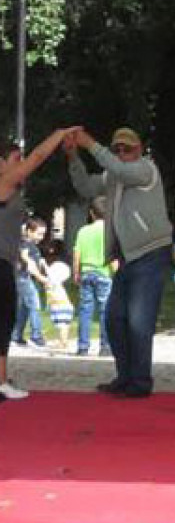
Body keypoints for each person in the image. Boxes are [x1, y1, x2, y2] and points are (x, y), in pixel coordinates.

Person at [66, 126, 173, 399]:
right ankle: (125, 376)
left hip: (150, 253)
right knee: (114, 318)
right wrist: (73, 158)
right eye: (118, 149)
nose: (122, 153)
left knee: (139, 322)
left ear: (139, 150)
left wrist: (90, 144)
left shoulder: (145, 169)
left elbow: (121, 170)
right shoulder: (114, 175)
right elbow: (85, 187)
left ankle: (140, 381)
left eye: (128, 148)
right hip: (128, 256)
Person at [1, 129, 74, 400]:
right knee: (3, 322)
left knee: (5, 321)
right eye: (15, 159)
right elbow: (39, 156)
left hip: (5, 260)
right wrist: (59, 134)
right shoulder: (5, 183)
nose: (21, 164)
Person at [73, 197, 115, 356]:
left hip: (86, 272)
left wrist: (76, 273)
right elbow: (112, 255)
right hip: (103, 273)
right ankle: (105, 346)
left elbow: (77, 254)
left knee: (85, 310)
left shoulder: (83, 231)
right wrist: (116, 272)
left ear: (91, 213)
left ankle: (83, 346)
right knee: (105, 311)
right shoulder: (110, 232)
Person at [12, 216, 48, 351]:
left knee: (24, 308)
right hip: (23, 278)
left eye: (43, 234)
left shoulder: (31, 245)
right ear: (29, 231)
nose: (41, 237)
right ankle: (36, 336)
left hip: (23, 278)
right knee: (34, 304)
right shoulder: (25, 243)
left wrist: (44, 267)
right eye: (39, 234)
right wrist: (41, 278)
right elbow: (26, 258)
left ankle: (16, 336)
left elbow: (38, 260)